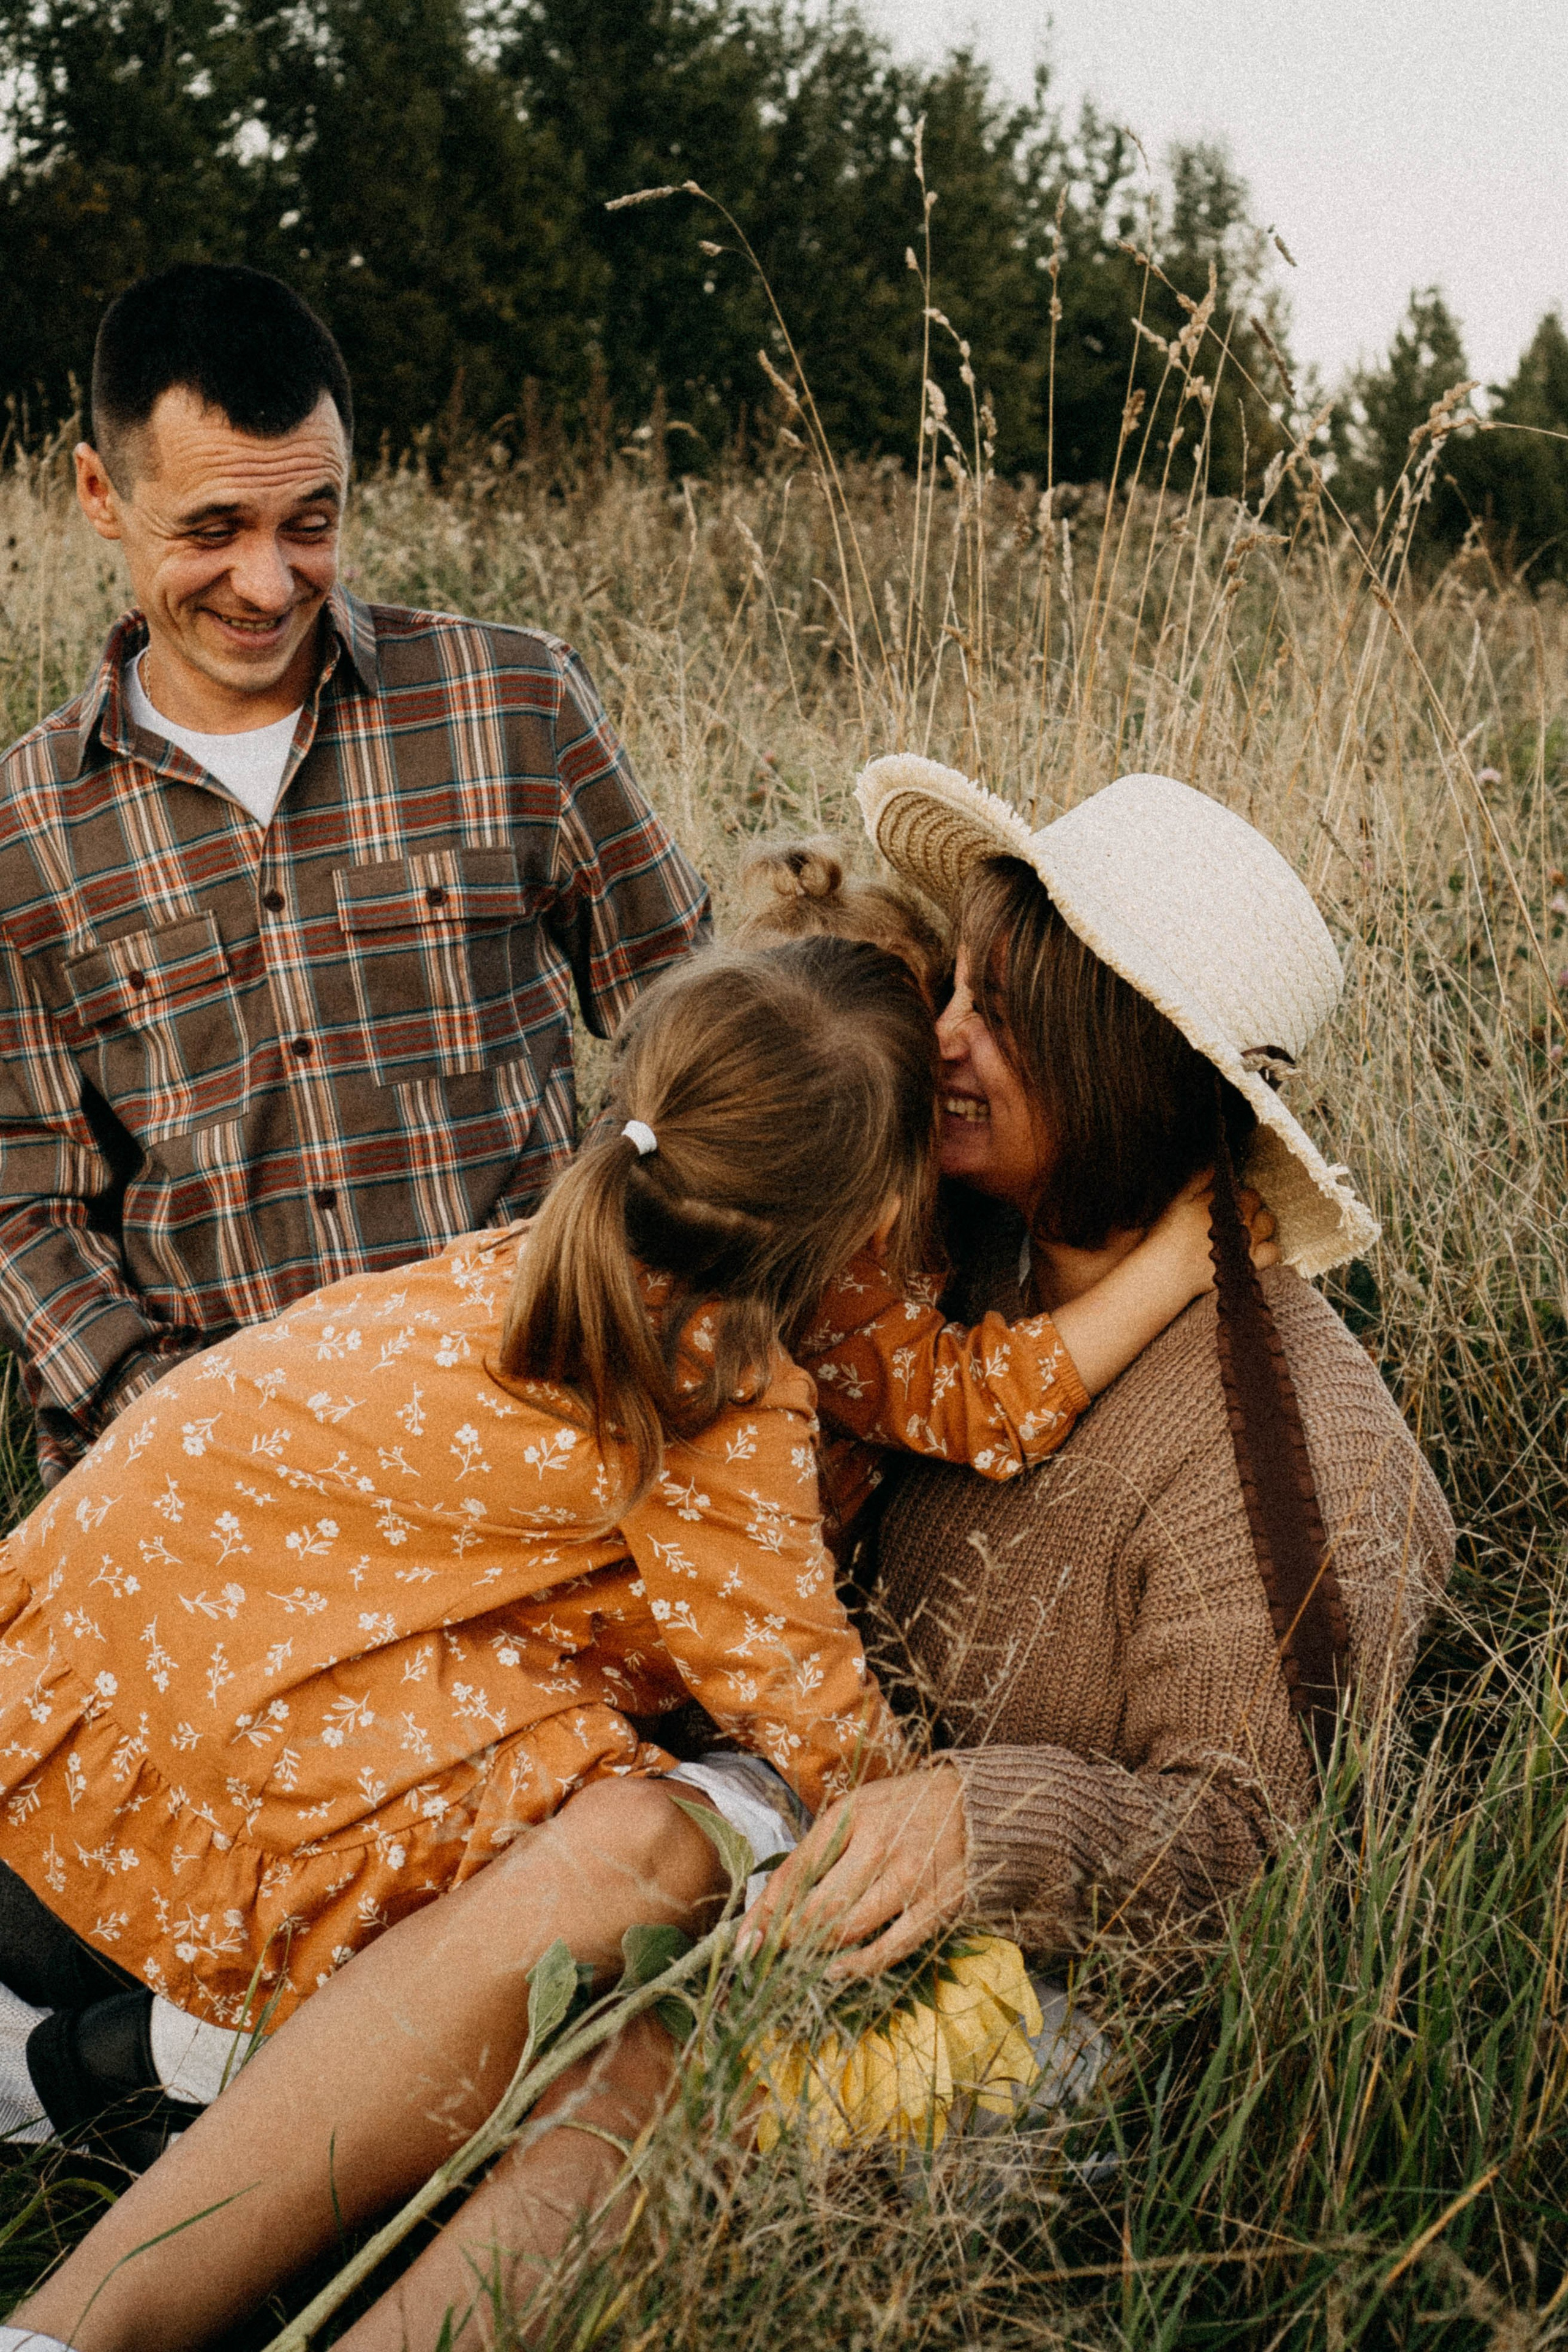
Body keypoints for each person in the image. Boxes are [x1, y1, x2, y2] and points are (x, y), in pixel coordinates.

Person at [0, 928, 1246, 2352]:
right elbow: (792, 1687)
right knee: (631, 1853)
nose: (959, 1039)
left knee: (614, 1854)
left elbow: (960, 1395)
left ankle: (136, 2075)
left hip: (190, 1558)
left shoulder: (662, 1231)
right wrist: (894, 1830)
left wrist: (1173, 1263)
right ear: (875, 1207)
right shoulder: (713, 1382)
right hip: (260, 1642)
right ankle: (182, 2058)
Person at [0, 262, 710, 1488]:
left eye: (310, 524)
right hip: (225, 1469)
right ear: (100, 494)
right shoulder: (25, 827)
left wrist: (611, 1272)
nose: (268, 584)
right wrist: (171, 1422)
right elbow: (25, 1206)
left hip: (538, 1407)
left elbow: (700, 1019)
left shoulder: (515, 702)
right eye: (213, 530)